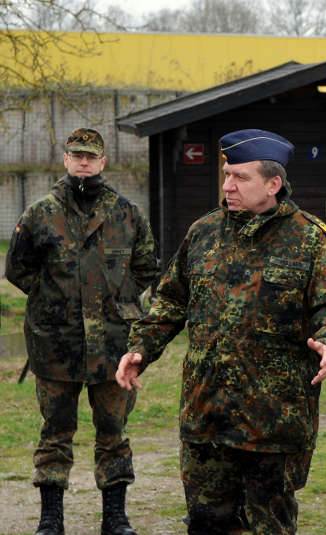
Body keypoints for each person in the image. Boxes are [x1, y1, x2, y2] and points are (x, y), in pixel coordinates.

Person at [115, 128, 326, 534]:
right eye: (226, 174)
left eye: (241, 177)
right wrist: (142, 348)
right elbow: (172, 300)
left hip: (272, 421)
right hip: (206, 416)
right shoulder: (204, 232)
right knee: (207, 523)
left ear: (273, 183)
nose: (228, 185)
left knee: (269, 525)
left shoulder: (310, 239)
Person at [5, 127, 158, 535]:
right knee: (55, 431)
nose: (84, 162)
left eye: (91, 156)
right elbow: (18, 269)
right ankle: (50, 518)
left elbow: (146, 268)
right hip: (57, 344)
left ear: (103, 162)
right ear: (66, 159)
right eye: (77, 156)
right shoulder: (40, 213)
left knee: (114, 432)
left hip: (112, 346)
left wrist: (117, 301)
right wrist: (56, 301)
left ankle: (115, 517)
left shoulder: (127, 213)